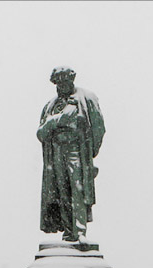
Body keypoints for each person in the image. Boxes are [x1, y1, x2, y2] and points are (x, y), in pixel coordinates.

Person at [37, 66, 106, 242]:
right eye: (58, 84)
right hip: (57, 152)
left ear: (71, 81)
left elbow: (98, 127)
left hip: (77, 149)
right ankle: (69, 231)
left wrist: (89, 155)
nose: (61, 87)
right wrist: (55, 121)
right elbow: (41, 134)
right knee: (62, 191)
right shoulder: (50, 106)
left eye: (65, 82)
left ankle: (80, 231)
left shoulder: (86, 98)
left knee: (78, 189)